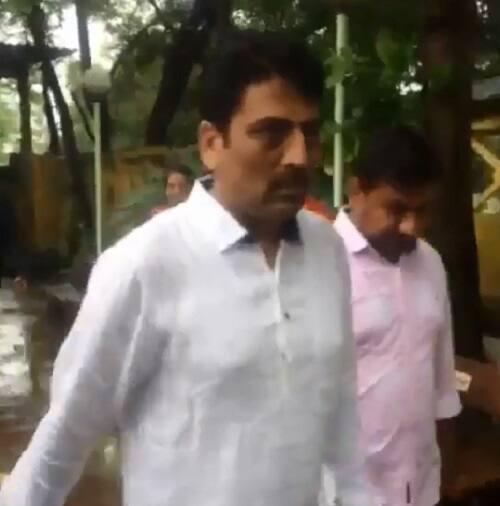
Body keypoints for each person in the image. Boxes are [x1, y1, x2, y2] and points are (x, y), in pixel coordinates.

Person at [0, 31, 369, 506]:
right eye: (272, 134)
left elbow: (342, 417)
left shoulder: (327, 250)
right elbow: (67, 432)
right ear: (212, 143)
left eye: (309, 134)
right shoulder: (145, 263)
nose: (298, 156)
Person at [334, 125, 461, 506]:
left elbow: (442, 380)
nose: (411, 227)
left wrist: (446, 479)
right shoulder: (324, 263)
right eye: (397, 210)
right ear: (356, 190)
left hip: (421, 487)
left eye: (421, 211)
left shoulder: (430, 262)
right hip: (346, 492)